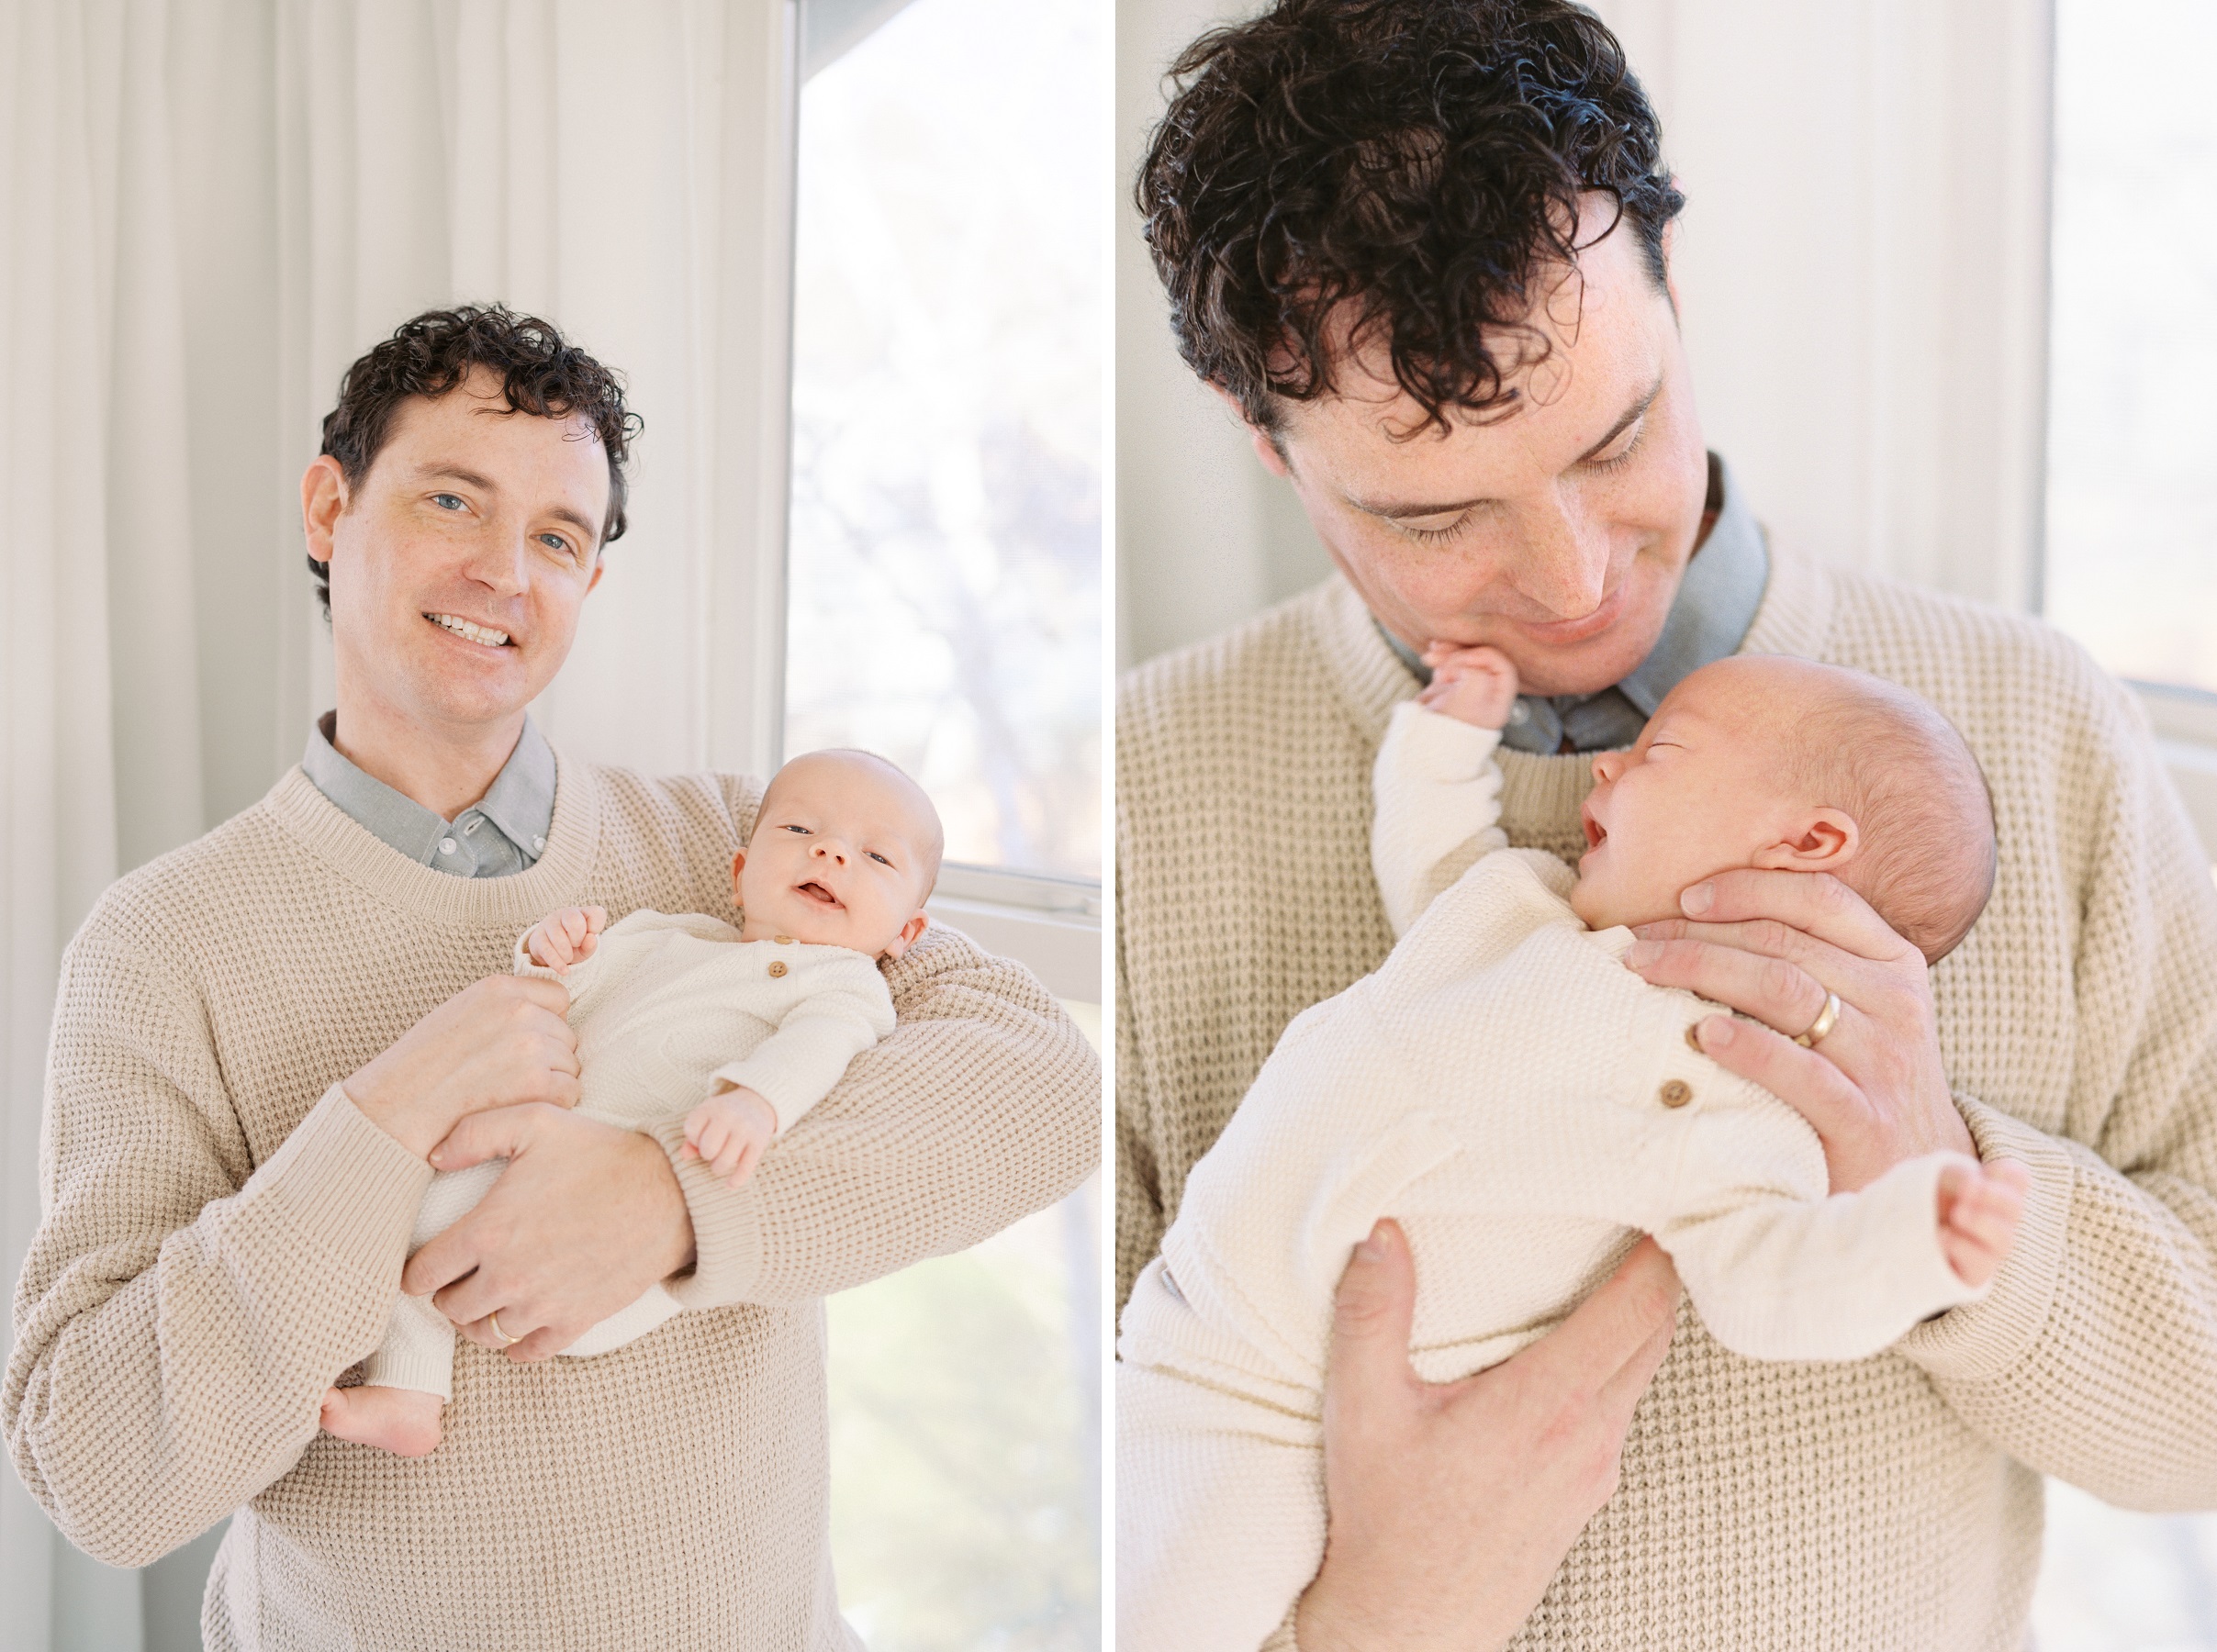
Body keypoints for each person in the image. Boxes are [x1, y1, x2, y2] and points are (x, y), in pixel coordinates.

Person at [1116, 3, 2217, 1647]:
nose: (1571, 581)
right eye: (1437, 514)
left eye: (1615, 437)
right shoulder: (1151, 789)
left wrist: (1936, 1162)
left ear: (1674, 283)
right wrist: (1379, 1620)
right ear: (1263, 442)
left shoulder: (2035, 729)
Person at [6, 306, 1099, 1650]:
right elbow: (98, 1472)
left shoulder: (737, 851)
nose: (501, 572)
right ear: (327, 508)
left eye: (556, 538)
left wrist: (672, 1205)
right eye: (451, 498)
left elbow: (1042, 1081)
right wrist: (385, 1120)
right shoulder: (162, 944)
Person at [1117, 649, 2031, 1649]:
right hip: (1181, 1325)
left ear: (1805, 843)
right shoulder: (1521, 906)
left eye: (1659, 752)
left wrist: (1909, 1238)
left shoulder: (1732, 1092)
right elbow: (1430, 858)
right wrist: (1444, 739)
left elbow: (1771, 1286)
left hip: (1285, 1421)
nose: (1607, 768)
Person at [322, 745, 943, 1458]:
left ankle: (415, 1384)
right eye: (801, 832)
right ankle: (410, 1392)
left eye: (876, 858)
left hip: (618, 1234)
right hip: (540, 1146)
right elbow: (567, 994)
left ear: (906, 933)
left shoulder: (842, 984)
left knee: (429, 1231)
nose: (831, 853)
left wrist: (754, 1103)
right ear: (741, 876)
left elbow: (821, 1047)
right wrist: (555, 953)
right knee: (414, 1220)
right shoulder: (668, 935)